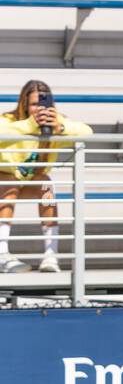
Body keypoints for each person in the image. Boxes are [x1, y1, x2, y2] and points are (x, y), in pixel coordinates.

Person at [0, 80, 93, 273]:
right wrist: (30, 125)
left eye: (44, 104)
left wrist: (60, 129)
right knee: (9, 184)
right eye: (34, 104)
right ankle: (1, 253)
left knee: (46, 186)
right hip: (6, 181)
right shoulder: (10, 120)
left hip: (29, 182)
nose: (40, 109)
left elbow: (88, 132)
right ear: (24, 103)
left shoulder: (55, 122)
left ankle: (51, 256)